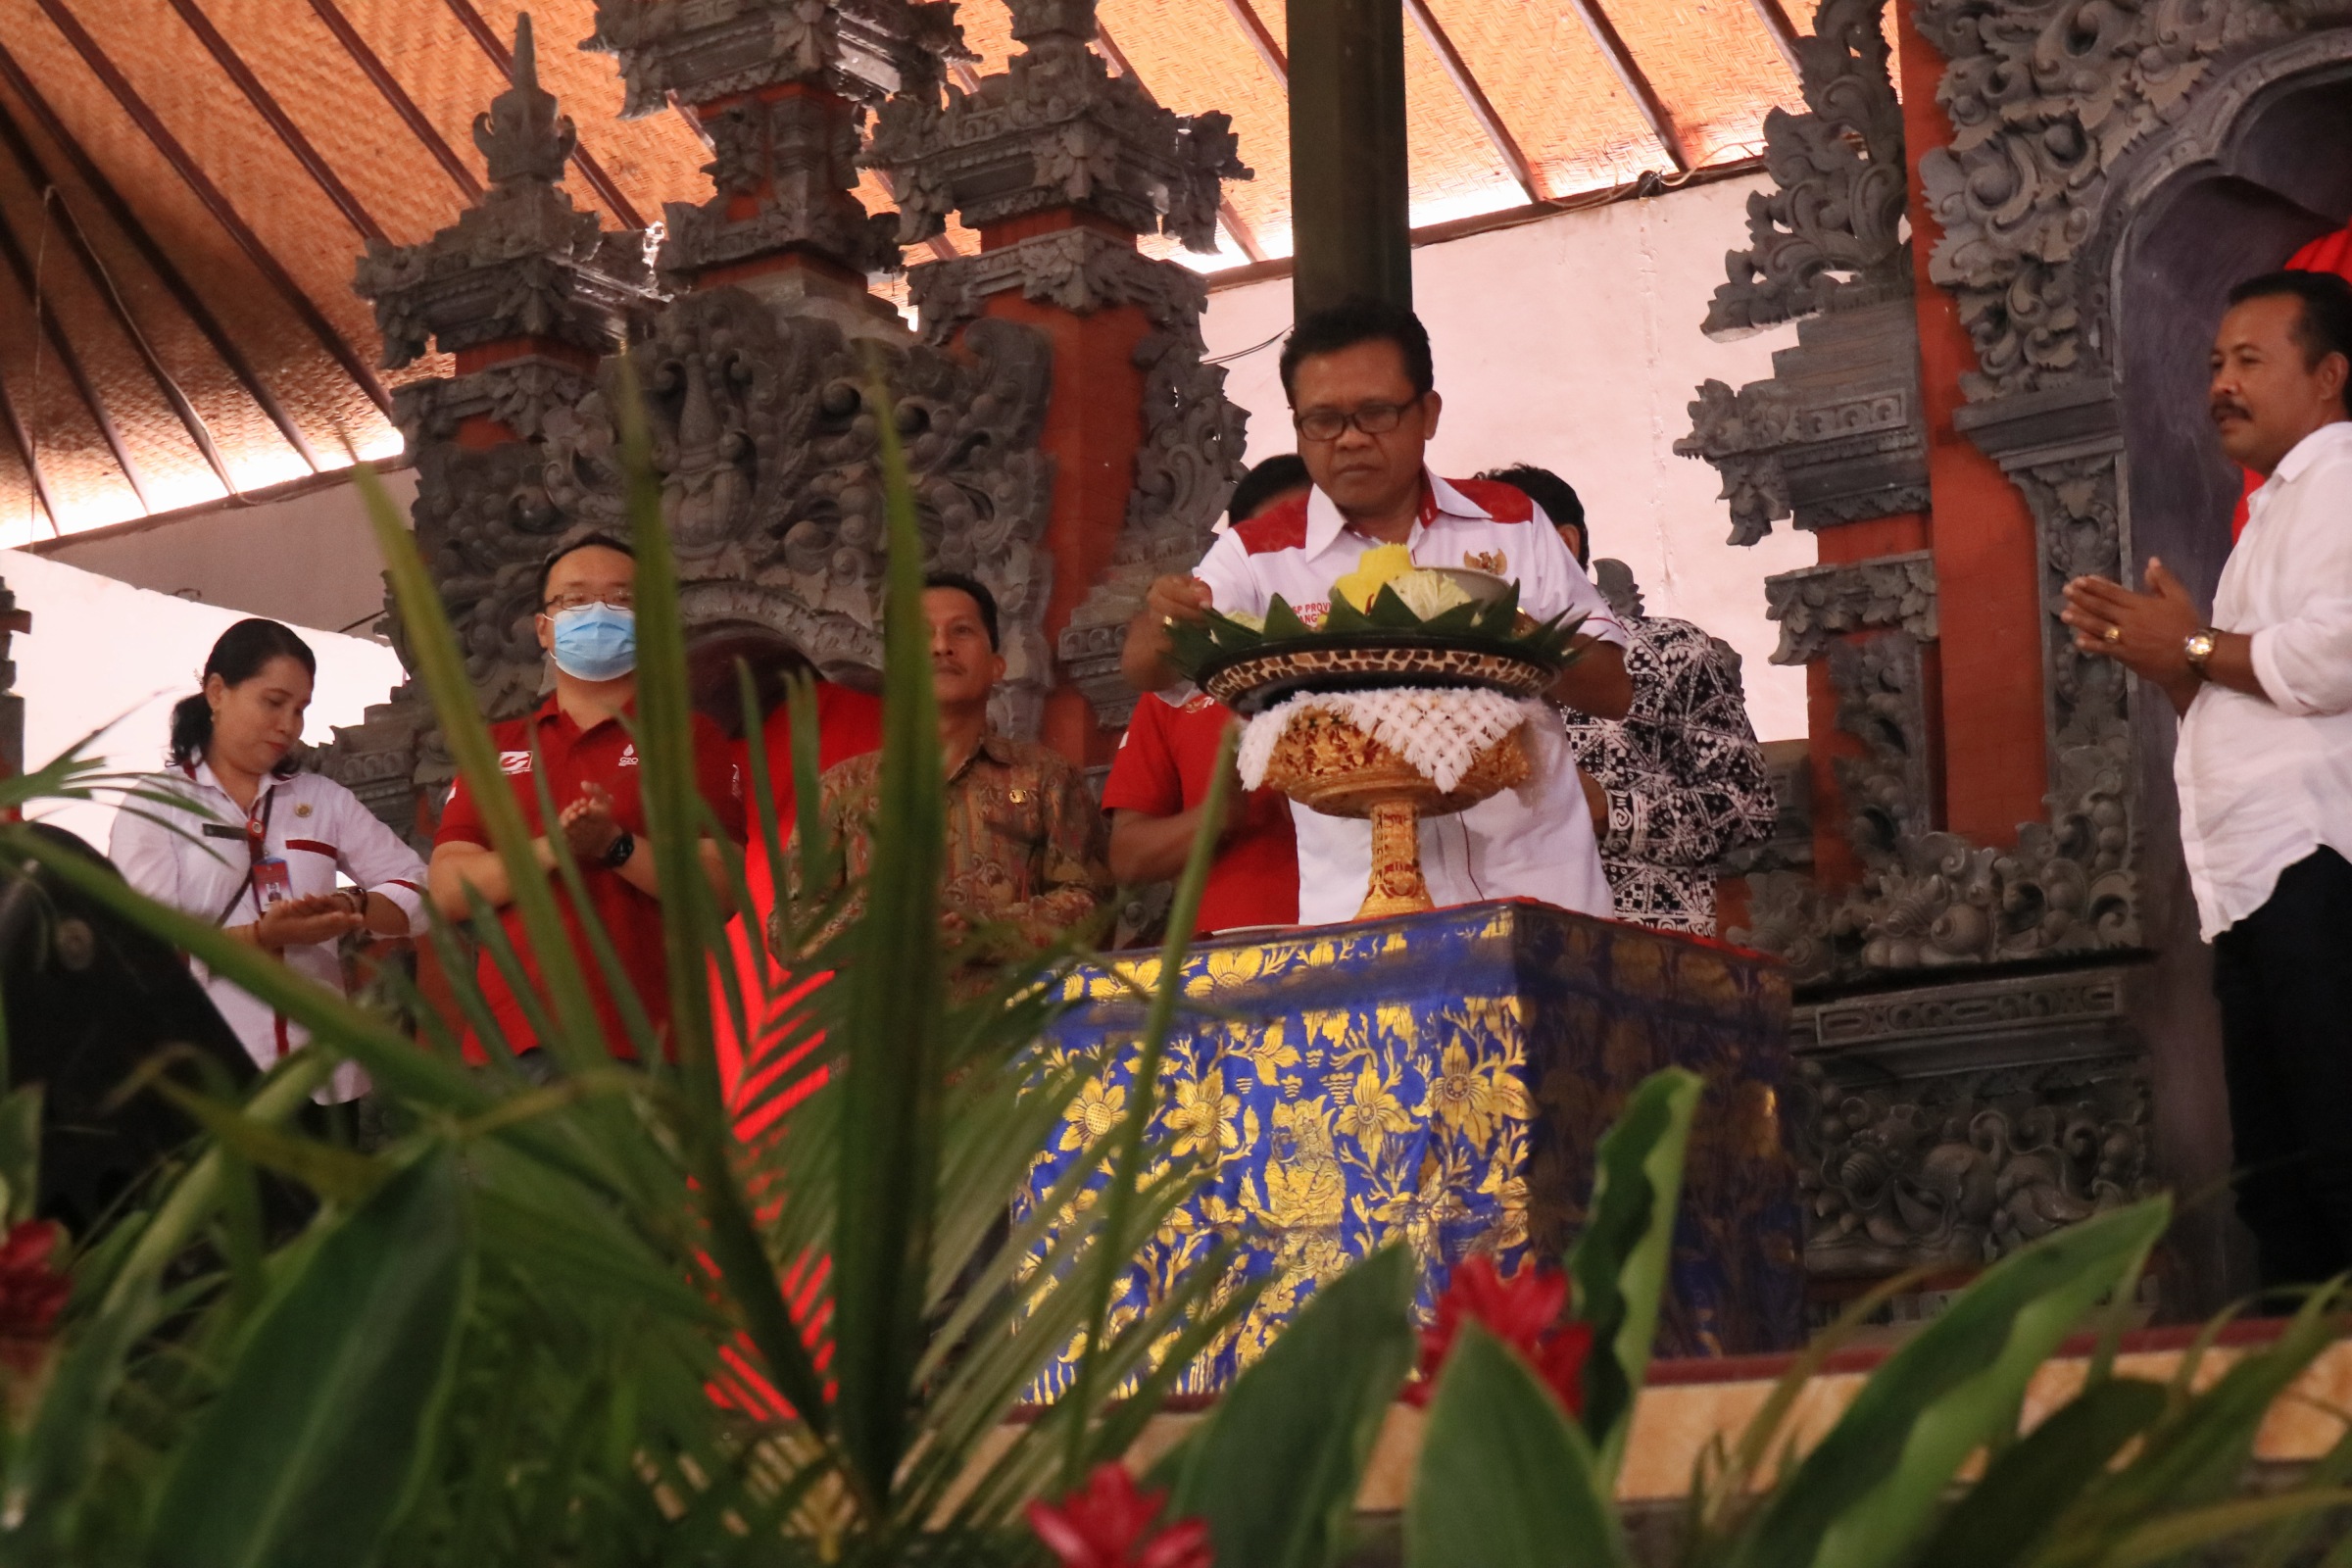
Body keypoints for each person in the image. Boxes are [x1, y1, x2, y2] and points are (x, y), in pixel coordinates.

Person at [1121, 298, 1633, 925]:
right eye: (1323, 420)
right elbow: (1148, 668)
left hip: (1540, 895)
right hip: (1361, 912)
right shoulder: (1257, 554)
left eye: (1375, 412)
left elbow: (1612, 690)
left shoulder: (1510, 521)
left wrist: (1507, 635)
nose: (1351, 438)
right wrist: (1166, 614)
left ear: (1428, 413)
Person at [2059, 269, 2352, 1286]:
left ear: (2329, 376)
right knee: (2281, 1183)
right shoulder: (2272, 510)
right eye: (2215, 364)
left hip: (2321, 865)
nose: (2222, 383)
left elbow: (2333, 658)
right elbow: (2247, 693)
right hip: (2256, 882)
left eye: (2250, 361)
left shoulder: (2344, 481)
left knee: (2335, 1160)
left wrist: (2187, 640)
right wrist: (2170, 659)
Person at [430, 534, 744, 1068]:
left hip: (649, 1045)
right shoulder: (495, 747)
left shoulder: (689, 739)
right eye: (574, 600)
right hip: (512, 1048)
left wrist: (616, 846)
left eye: (621, 600)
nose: (598, 614)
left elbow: (722, 887)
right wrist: (554, 849)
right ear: (543, 628)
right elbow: (446, 890)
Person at [111, 617, 427, 1102]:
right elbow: (145, 951)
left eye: (300, 709)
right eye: (274, 702)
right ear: (217, 692)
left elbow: (419, 885)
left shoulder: (324, 800)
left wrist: (354, 906)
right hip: (210, 1082)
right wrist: (263, 937)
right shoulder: (156, 805)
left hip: (323, 1081)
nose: (289, 725)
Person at [1481, 464, 1776, 937]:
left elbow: (1748, 808)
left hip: (1647, 945)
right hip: (1505, 942)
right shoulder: (1460, 674)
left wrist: (1614, 812)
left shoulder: (1668, 652)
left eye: (1487, 552)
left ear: (1562, 544)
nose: (1473, 569)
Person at [786, 573, 1111, 961]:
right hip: (881, 1019)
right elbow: (791, 924)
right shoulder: (842, 788)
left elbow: (1091, 906)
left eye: (961, 631)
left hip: (1010, 1016)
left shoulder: (1046, 778)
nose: (941, 647)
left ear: (997, 665)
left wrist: (988, 930)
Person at [1103, 455, 1308, 937]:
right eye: (1271, 544)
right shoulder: (1177, 682)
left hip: (1370, 930)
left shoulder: (1381, 654)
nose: (1293, 561)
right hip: (1228, 956)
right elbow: (1126, 858)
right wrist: (1219, 815)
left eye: (1309, 539)